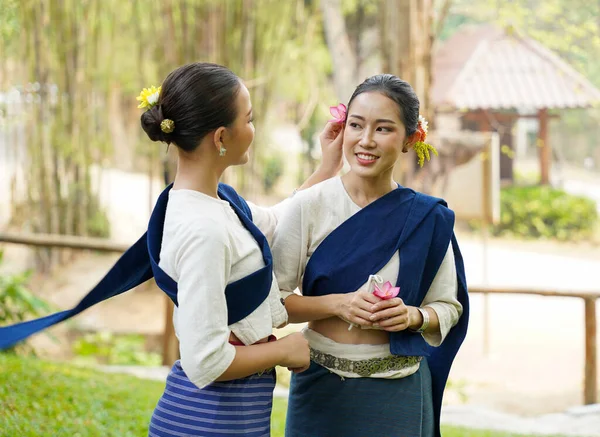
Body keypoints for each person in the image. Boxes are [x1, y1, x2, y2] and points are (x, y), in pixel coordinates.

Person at [0, 62, 344, 437]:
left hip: (232, 415)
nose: (254, 128)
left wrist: (327, 167)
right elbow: (205, 360)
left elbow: (278, 221)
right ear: (221, 137)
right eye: (249, 118)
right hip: (206, 421)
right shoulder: (204, 229)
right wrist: (284, 350)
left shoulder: (216, 203)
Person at [271, 74, 469, 437]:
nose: (366, 141)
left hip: (399, 388)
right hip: (319, 386)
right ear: (342, 129)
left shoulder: (427, 218)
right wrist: (337, 304)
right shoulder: (309, 205)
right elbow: (276, 304)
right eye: (356, 125)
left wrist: (412, 316)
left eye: (383, 129)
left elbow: (449, 307)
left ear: (411, 139)